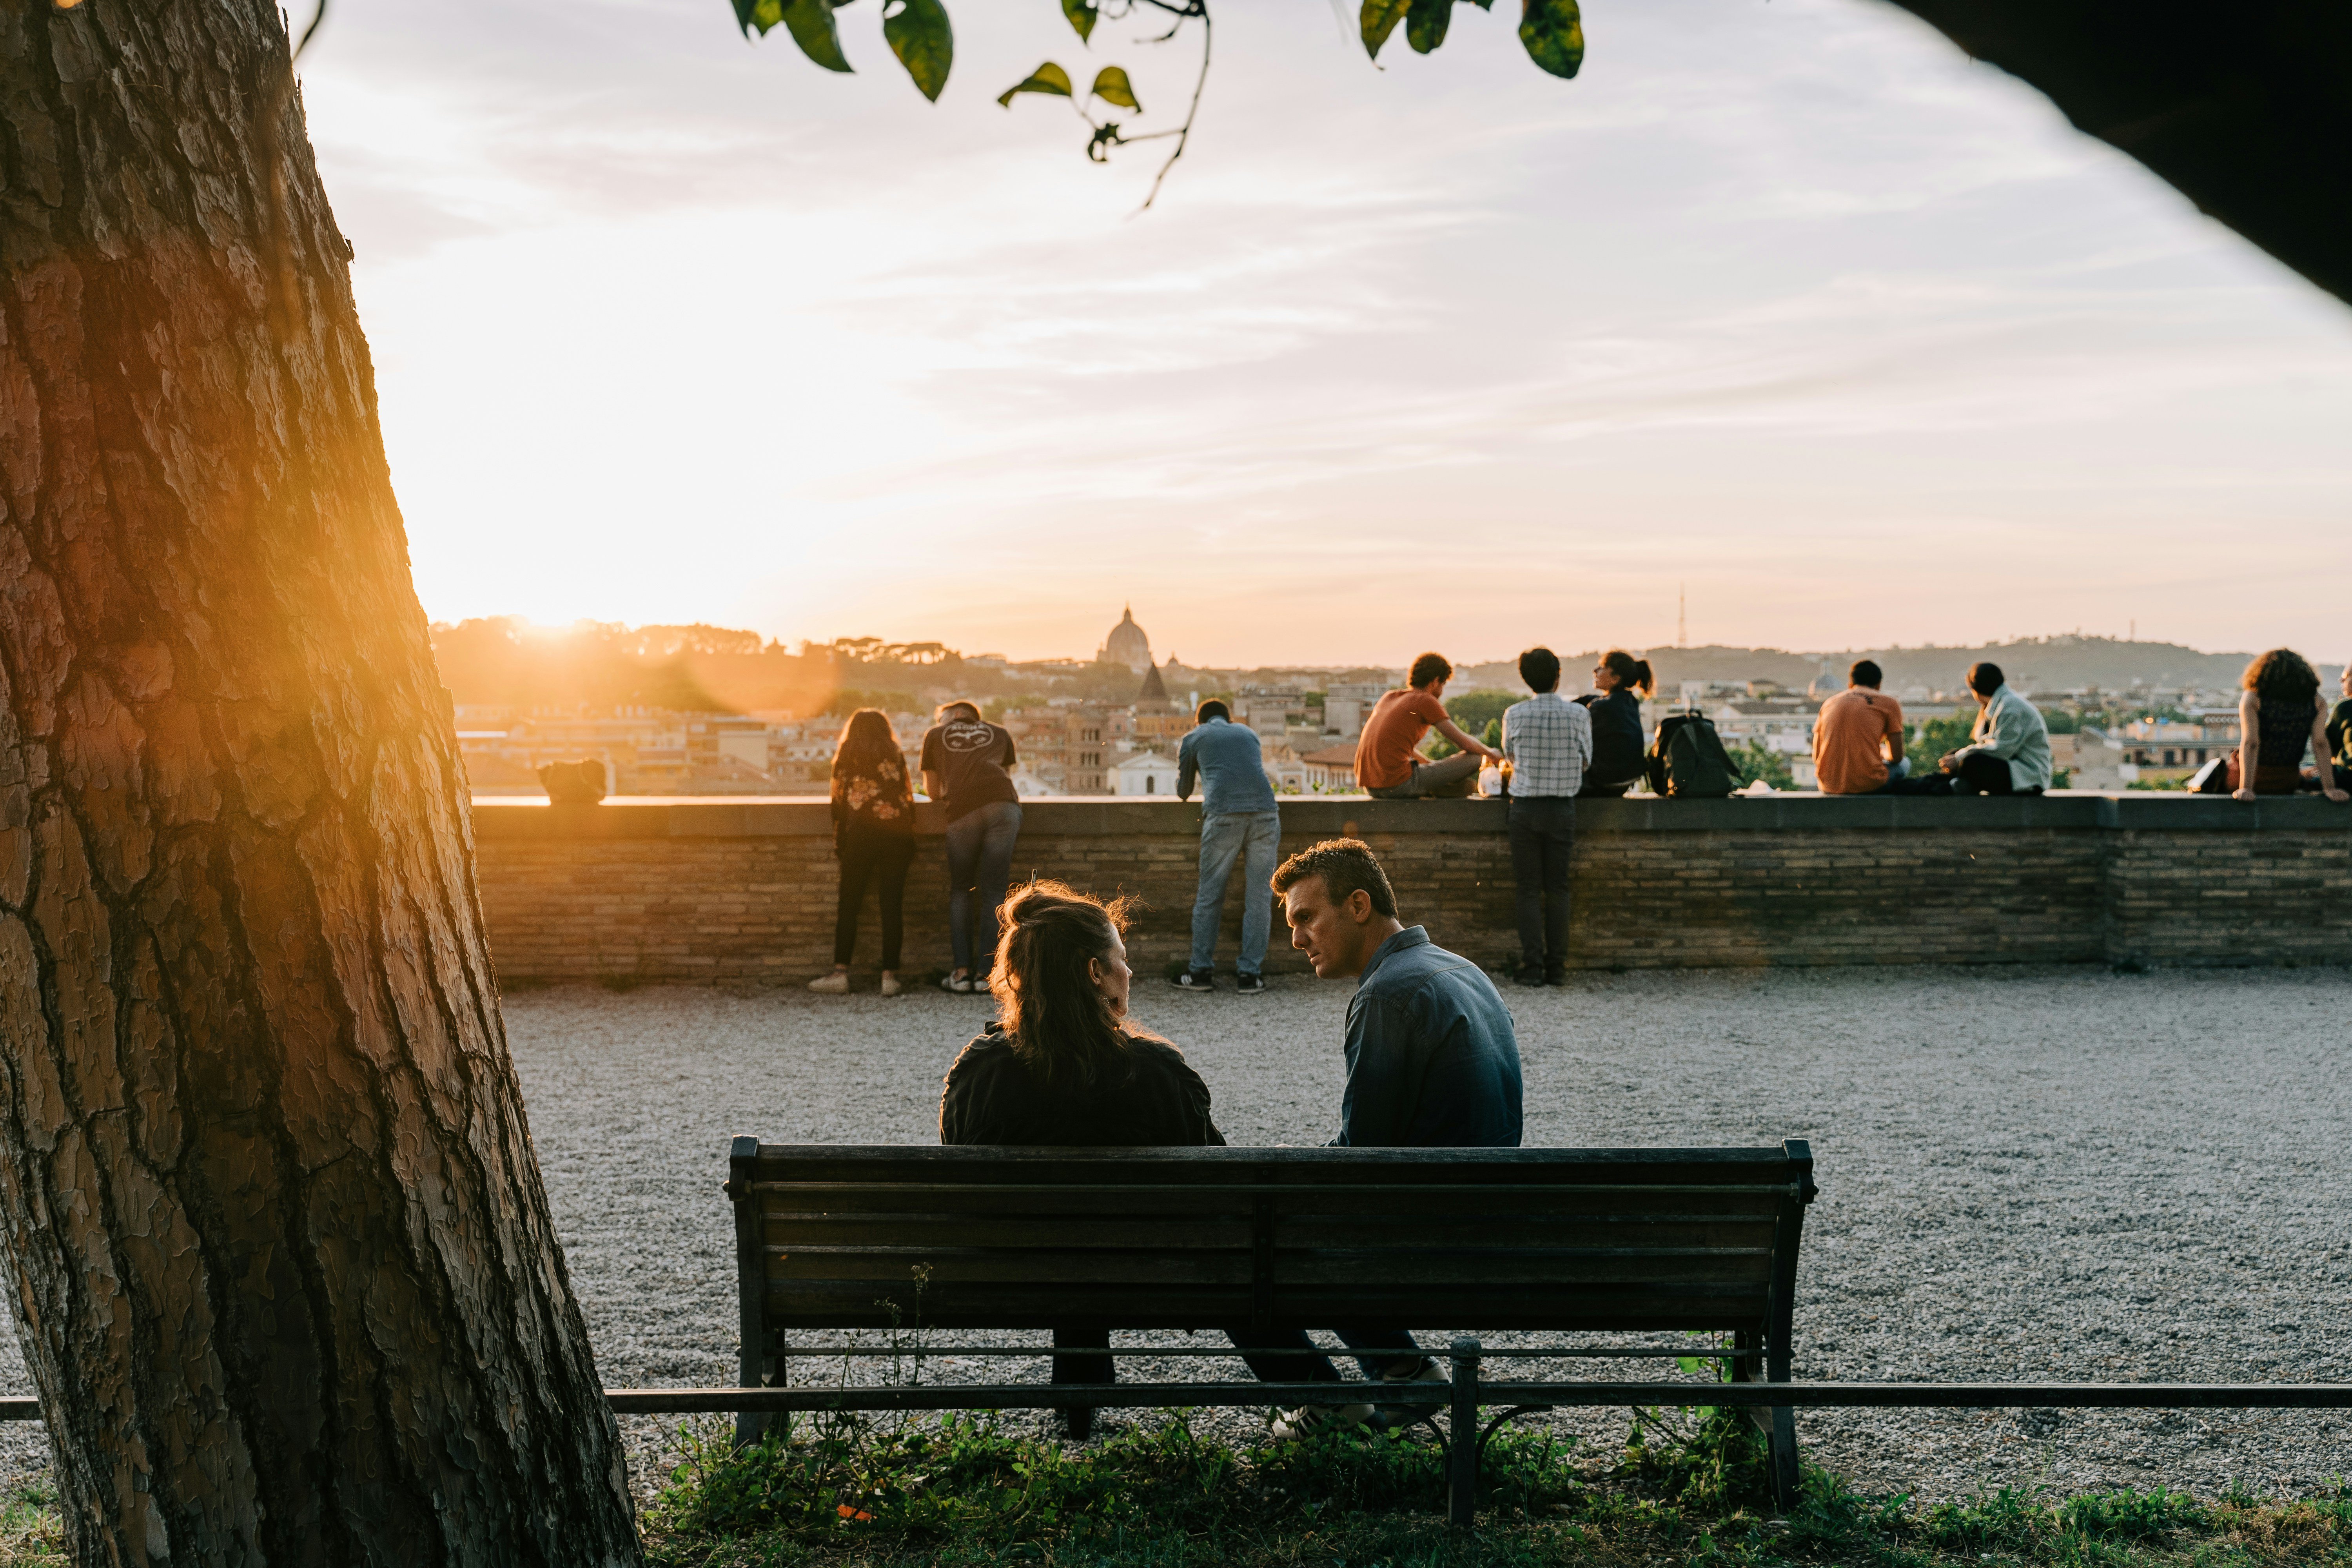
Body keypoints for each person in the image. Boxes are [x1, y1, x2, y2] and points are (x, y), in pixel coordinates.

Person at [1253, 838, 1524, 1436]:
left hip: (1429, 1238)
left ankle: (1333, 1402)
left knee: (1269, 1236)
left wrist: (1280, 1178)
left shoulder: (1386, 994)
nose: (1295, 939)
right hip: (1488, 1215)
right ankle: (1401, 1368)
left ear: (1357, 905)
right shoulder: (1463, 969)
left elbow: (1360, 1159)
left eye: (1305, 918)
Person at [1171, 700, 1280, 995]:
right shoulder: (1248, 733)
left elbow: (1184, 793)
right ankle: (1249, 976)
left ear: (1200, 721)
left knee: (1210, 896)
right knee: (1259, 898)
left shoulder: (1195, 737)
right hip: (1266, 814)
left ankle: (1201, 973)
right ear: (1229, 719)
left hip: (1224, 817)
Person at [1500, 647, 1591, 985]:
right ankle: (1557, 967)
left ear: (1526, 679)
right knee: (1558, 888)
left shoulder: (1515, 713)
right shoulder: (1579, 714)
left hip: (1524, 808)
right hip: (1562, 809)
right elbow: (1587, 761)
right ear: (1558, 675)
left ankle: (1533, 966)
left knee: (1527, 889)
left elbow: (1510, 756)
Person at [809, 710, 915, 996]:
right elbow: (907, 795)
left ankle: (841, 973)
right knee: (891, 906)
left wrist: (840, 840)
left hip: (861, 836)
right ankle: (889, 977)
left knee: (850, 905)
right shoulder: (894, 753)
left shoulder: (848, 754)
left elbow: (838, 799)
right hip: (897, 835)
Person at [919, 700, 1023, 993]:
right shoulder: (1000, 732)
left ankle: (962, 973)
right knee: (994, 890)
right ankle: (987, 976)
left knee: (961, 889)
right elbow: (1005, 775)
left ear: (953, 716)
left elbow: (932, 791)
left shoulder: (936, 735)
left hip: (963, 810)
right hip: (1004, 807)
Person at [1354, 653, 1501, 800]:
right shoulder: (1425, 700)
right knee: (1476, 758)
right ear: (1436, 682)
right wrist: (1491, 753)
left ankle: (1438, 787)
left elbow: (1400, 748)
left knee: (1458, 782)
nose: (1442, 691)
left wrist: (1434, 769)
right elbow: (1464, 742)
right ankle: (1439, 788)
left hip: (1372, 787)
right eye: (1443, 685)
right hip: (1399, 785)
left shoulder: (1389, 697)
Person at [2233, 649, 2349, 802]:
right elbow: (2320, 743)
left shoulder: (2253, 697)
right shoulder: (2317, 701)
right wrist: (2330, 788)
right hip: (2288, 780)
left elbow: (2252, 743)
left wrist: (2246, 789)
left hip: (2249, 778)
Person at [1936, 662, 2052, 796]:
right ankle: (1960, 785)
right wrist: (1957, 756)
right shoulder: (1999, 704)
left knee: (1969, 762)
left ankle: (1960, 785)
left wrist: (1960, 758)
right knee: (1954, 754)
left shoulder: (2010, 707)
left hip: (2028, 778)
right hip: (2014, 769)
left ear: (1975, 689)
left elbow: (2001, 750)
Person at [1811, 660, 1909, 795]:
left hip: (1828, 785)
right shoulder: (1889, 703)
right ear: (1879, 685)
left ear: (1850, 684)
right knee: (1905, 764)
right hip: (1869, 784)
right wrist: (1882, 751)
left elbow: (1817, 756)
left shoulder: (1829, 703)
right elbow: (1897, 757)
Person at [1573, 650, 1651, 798]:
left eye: (1601, 667)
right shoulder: (1629, 701)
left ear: (1615, 679)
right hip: (1626, 781)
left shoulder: (1601, 707)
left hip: (1604, 782)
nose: (1595, 670)